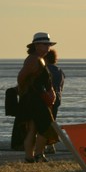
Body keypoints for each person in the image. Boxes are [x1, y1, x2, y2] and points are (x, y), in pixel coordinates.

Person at [16, 32, 58, 163]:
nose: (48, 48)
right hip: (35, 100)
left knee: (33, 128)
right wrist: (33, 92)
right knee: (45, 127)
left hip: (33, 99)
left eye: (49, 45)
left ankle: (30, 157)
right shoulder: (34, 59)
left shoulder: (37, 59)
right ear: (37, 45)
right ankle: (38, 154)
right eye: (45, 44)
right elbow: (21, 78)